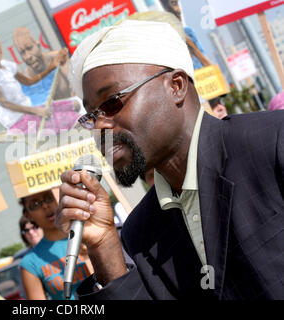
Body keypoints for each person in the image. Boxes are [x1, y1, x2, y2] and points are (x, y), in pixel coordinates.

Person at [56, 19, 284, 299]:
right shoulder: (140, 232)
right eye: (91, 116)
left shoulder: (272, 143)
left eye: (112, 102)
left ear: (176, 86)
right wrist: (103, 245)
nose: (100, 126)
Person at [0, 31, 71, 134]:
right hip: (17, 121)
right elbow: (4, 103)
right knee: (69, 120)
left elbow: (29, 82)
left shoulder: (7, 65)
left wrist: (53, 66)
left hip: (32, 111)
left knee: (74, 105)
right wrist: (36, 111)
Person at [19, 190, 93, 300]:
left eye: (49, 198)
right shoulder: (30, 263)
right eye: (35, 204)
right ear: (28, 215)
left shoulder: (90, 234)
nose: (45, 206)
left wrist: (91, 254)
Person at [160, 0, 211, 70]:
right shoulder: (166, 40)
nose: (179, 10)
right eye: (174, 3)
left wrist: (190, 43)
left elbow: (208, 65)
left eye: (177, 4)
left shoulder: (188, 32)